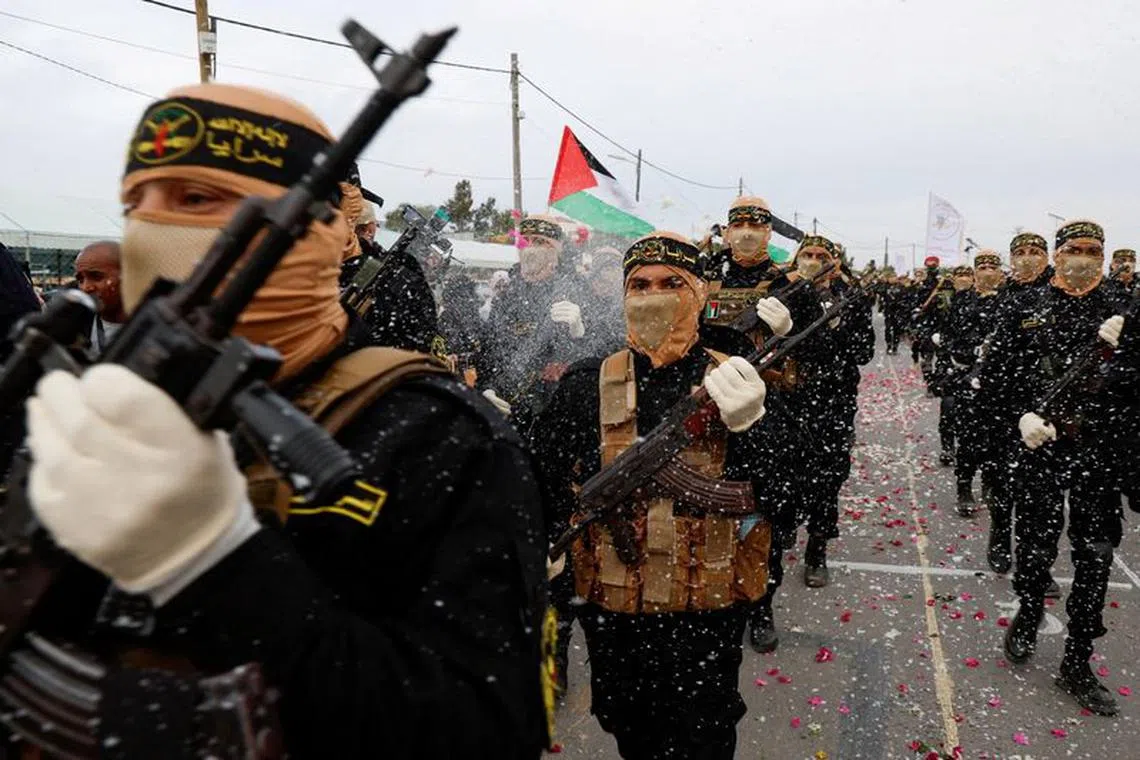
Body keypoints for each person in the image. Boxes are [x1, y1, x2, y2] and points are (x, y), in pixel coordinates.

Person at [21, 82, 551, 758]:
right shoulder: (95, 406)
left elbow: (480, 728)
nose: (150, 231)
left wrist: (218, 561)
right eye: (135, 205)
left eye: (197, 200)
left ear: (322, 230)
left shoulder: (436, 437)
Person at [534, 231, 774, 759]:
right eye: (639, 285)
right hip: (617, 607)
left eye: (672, 283)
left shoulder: (732, 379)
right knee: (629, 727)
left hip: (705, 605)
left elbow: (786, 489)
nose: (654, 295)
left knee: (704, 734)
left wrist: (756, 425)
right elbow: (544, 478)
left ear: (700, 292)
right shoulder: (586, 383)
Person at [979, 219, 1121, 715]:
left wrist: (1124, 353)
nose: (1083, 258)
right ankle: (1028, 607)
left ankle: (1078, 659)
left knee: (1096, 555)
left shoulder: (1123, 310)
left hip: (1099, 451)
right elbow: (994, 379)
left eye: (1092, 250)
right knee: (1037, 542)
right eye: (1074, 249)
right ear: (1058, 254)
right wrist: (1019, 417)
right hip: (1040, 446)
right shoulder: (1025, 306)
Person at [699, 195, 831, 654]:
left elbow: (823, 357)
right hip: (710, 407)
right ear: (728, 230)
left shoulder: (792, 285)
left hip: (768, 413)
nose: (749, 232)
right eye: (740, 224)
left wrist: (789, 331)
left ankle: (761, 602)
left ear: (770, 233)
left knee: (766, 515)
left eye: (757, 224)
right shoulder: (706, 275)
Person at [787, 235, 874, 587]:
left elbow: (864, 351)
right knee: (787, 473)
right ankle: (786, 526)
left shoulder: (850, 298)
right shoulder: (786, 292)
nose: (813, 260)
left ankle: (818, 548)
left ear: (835, 261)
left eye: (821, 255)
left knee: (828, 478)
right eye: (806, 254)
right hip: (790, 398)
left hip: (833, 401)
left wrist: (837, 329)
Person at [484, 214, 589, 437]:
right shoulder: (506, 295)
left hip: (557, 416)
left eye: (540, 242)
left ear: (556, 251)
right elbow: (488, 351)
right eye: (526, 240)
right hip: (506, 413)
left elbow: (592, 360)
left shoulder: (577, 290)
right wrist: (487, 389)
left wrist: (579, 333)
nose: (531, 248)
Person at [944, 251, 1005, 520]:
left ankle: (990, 483)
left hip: (998, 381)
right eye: (983, 267)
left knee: (994, 438)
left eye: (993, 266)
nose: (988, 271)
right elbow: (951, 334)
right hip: (967, 377)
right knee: (969, 438)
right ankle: (964, 486)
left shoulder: (1007, 302)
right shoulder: (963, 301)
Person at [74, 240, 127, 356]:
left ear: (127, 276)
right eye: (80, 280)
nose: (86, 287)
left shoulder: (157, 326)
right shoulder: (72, 326)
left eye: (96, 277)